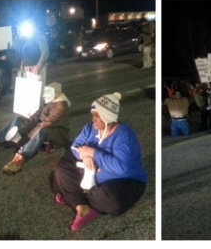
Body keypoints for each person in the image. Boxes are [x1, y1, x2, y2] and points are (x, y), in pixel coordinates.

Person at [53, 92, 147, 231]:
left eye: (97, 116)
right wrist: (84, 156)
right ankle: (83, 206)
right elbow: (75, 147)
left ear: (108, 117)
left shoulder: (124, 136)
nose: (93, 120)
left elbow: (122, 168)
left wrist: (93, 153)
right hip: (91, 171)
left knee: (113, 203)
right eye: (93, 115)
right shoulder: (90, 128)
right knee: (61, 169)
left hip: (124, 180)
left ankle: (74, 195)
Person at [0, 83, 71, 174]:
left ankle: (21, 157)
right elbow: (35, 116)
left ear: (56, 94)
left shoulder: (61, 105)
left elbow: (46, 123)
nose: (45, 95)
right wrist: (21, 130)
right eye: (45, 92)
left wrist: (28, 137)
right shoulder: (48, 101)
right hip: (43, 126)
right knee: (18, 120)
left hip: (57, 132)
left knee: (42, 130)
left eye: (48, 92)